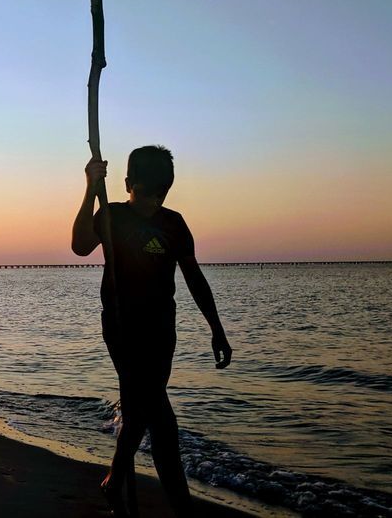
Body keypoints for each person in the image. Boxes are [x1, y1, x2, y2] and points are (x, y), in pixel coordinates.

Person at [71, 145, 232, 518]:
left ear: (167, 191)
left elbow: (194, 277)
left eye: (159, 196)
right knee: (160, 416)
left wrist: (216, 327)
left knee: (141, 408)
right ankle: (181, 507)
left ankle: (114, 481)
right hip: (121, 327)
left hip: (162, 330)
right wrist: (90, 188)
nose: (151, 204)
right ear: (128, 184)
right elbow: (80, 247)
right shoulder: (111, 214)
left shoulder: (174, 223)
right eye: (144, 195)